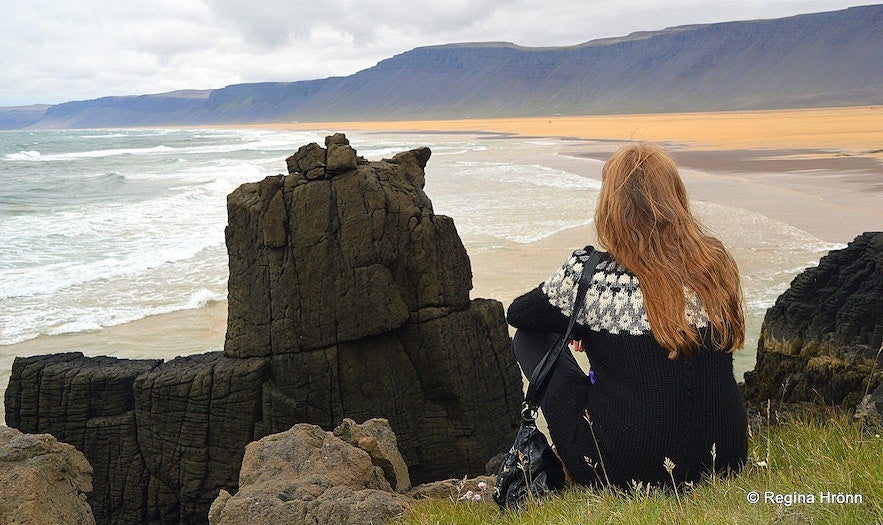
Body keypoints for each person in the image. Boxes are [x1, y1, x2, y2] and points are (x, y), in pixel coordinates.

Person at [507, 143, 747, 489]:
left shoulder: (590, 276)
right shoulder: (713, 262)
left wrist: (579, 323)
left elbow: (520, 314)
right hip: (724, 458)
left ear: (610, 206)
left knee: (529, 338)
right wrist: (590, 327)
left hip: (627, 470)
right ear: (675, 197)